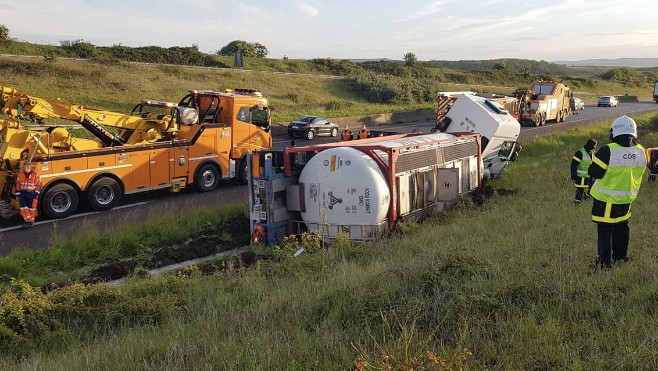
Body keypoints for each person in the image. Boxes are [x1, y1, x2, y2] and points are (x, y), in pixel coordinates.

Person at [588, 116, 646, 268]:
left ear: (614, 132)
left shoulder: (607, 150)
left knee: (605, 230)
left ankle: (604, 262)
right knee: (622, 227)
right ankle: (621, 257)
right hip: (627, 199)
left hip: (606, 199)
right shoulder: (641, 151)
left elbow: (595, 172)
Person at [15, 163, 42, 228]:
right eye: (24, 167)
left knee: (32, 208)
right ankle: (29, 221)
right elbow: (18, 185)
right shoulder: (20, 175)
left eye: (27, 167)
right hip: (23, 194)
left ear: (30, 168)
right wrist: (18, 195)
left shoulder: (36, 175)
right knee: (23, 208)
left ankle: (30, 221)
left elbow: (39, 185)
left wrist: (36, 193)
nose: (26, 169)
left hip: (32, 194)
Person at [570, 138, 597, 205]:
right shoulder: (580, 153)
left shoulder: (593, 152)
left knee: (592, 189)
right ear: (588, 145)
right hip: (580, 177)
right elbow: (573, 165)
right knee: (579, 192)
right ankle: (577, 204)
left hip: (590, 176)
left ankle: (586, 197)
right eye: (593, 146)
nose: (593, 148)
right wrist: (574, 175)